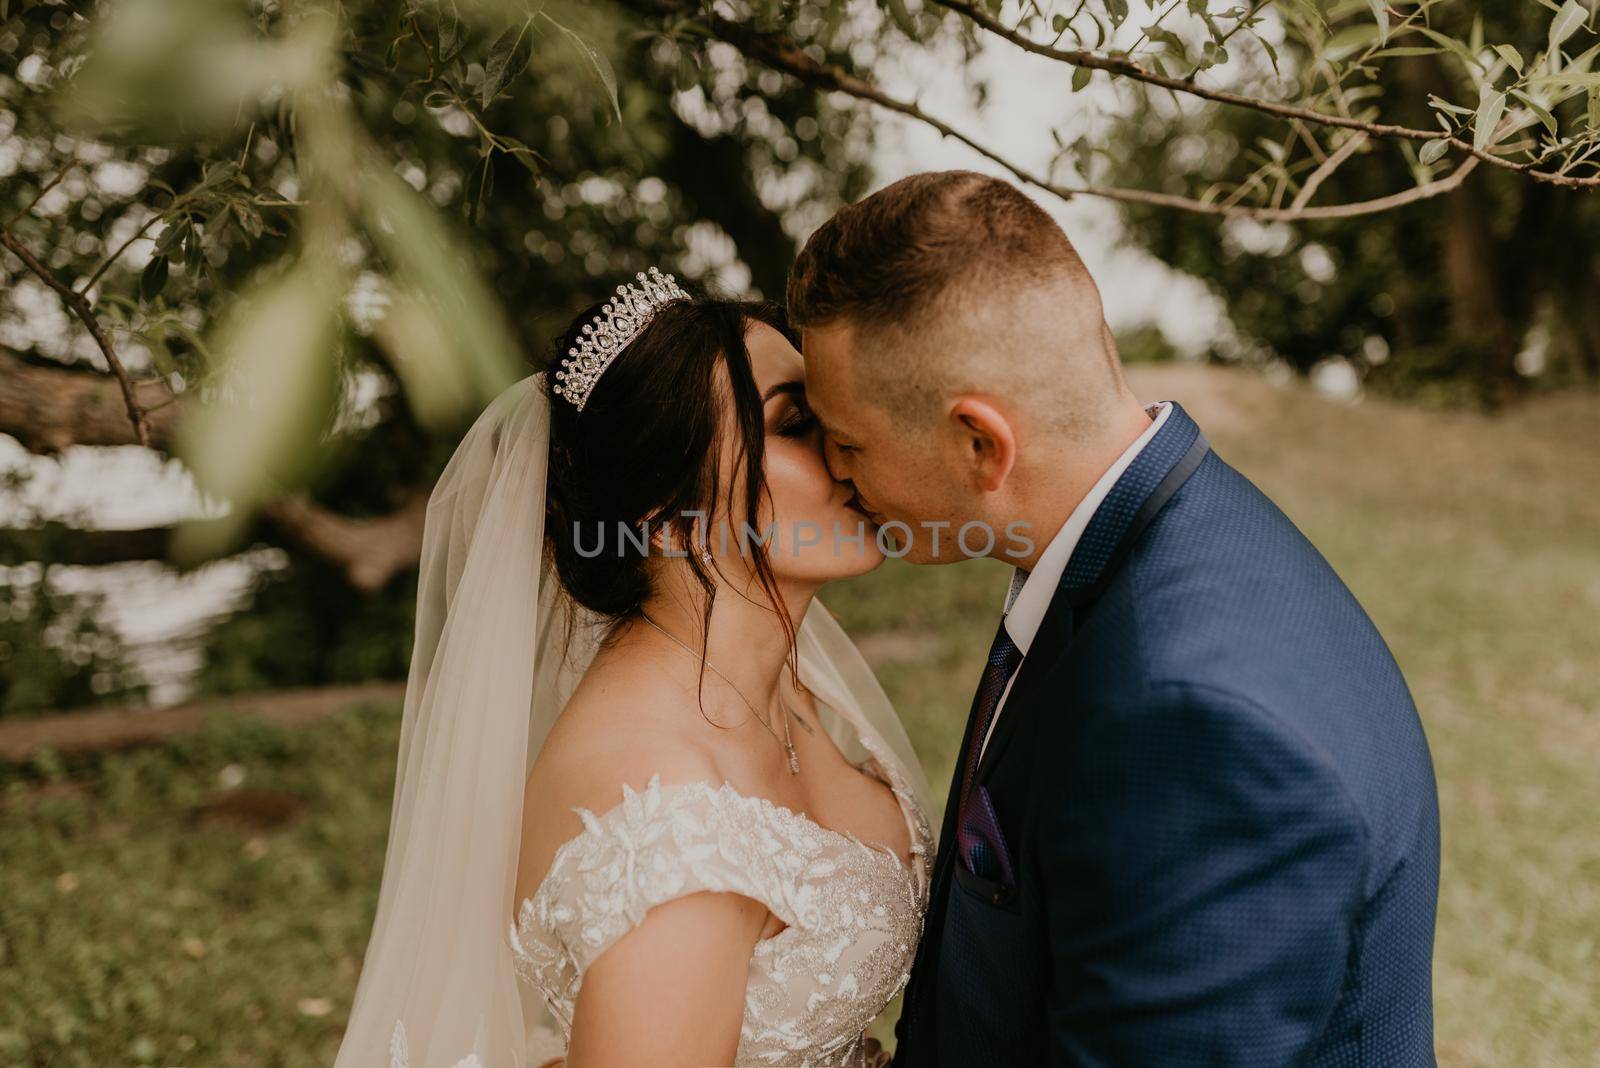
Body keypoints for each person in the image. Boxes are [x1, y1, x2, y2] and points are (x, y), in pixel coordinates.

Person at [788, 169, 1442, 1067]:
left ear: (980, 443)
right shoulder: (1156, 534)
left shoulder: (1196, 724)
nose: (835, 469)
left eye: (848, 440)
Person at [331, 269, 933, 1068]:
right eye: (795, 424)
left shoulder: (783, 684)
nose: (848, 443)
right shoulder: (669, 822)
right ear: (668, 520)